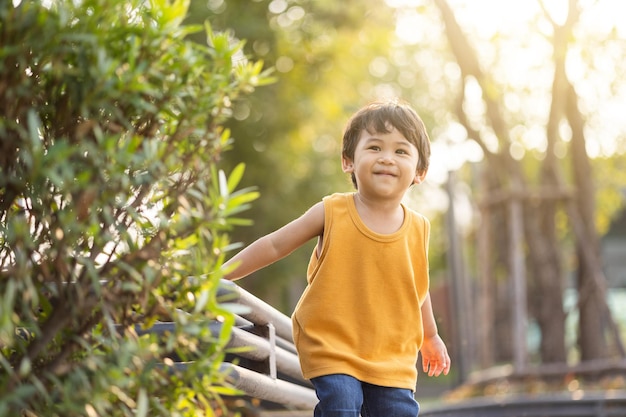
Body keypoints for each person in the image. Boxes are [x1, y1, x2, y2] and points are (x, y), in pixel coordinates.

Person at [223, 99, 451, 417]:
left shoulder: (419, 227)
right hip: (334, 344)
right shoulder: (333, 212)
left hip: (391, 355)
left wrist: (430, 335)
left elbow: (418, 287)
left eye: (401, 151)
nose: (387, 158)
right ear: (348, 161)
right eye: (374, 147)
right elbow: (275, 245)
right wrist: (221, 275)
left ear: (420, 171)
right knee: (342, 404)